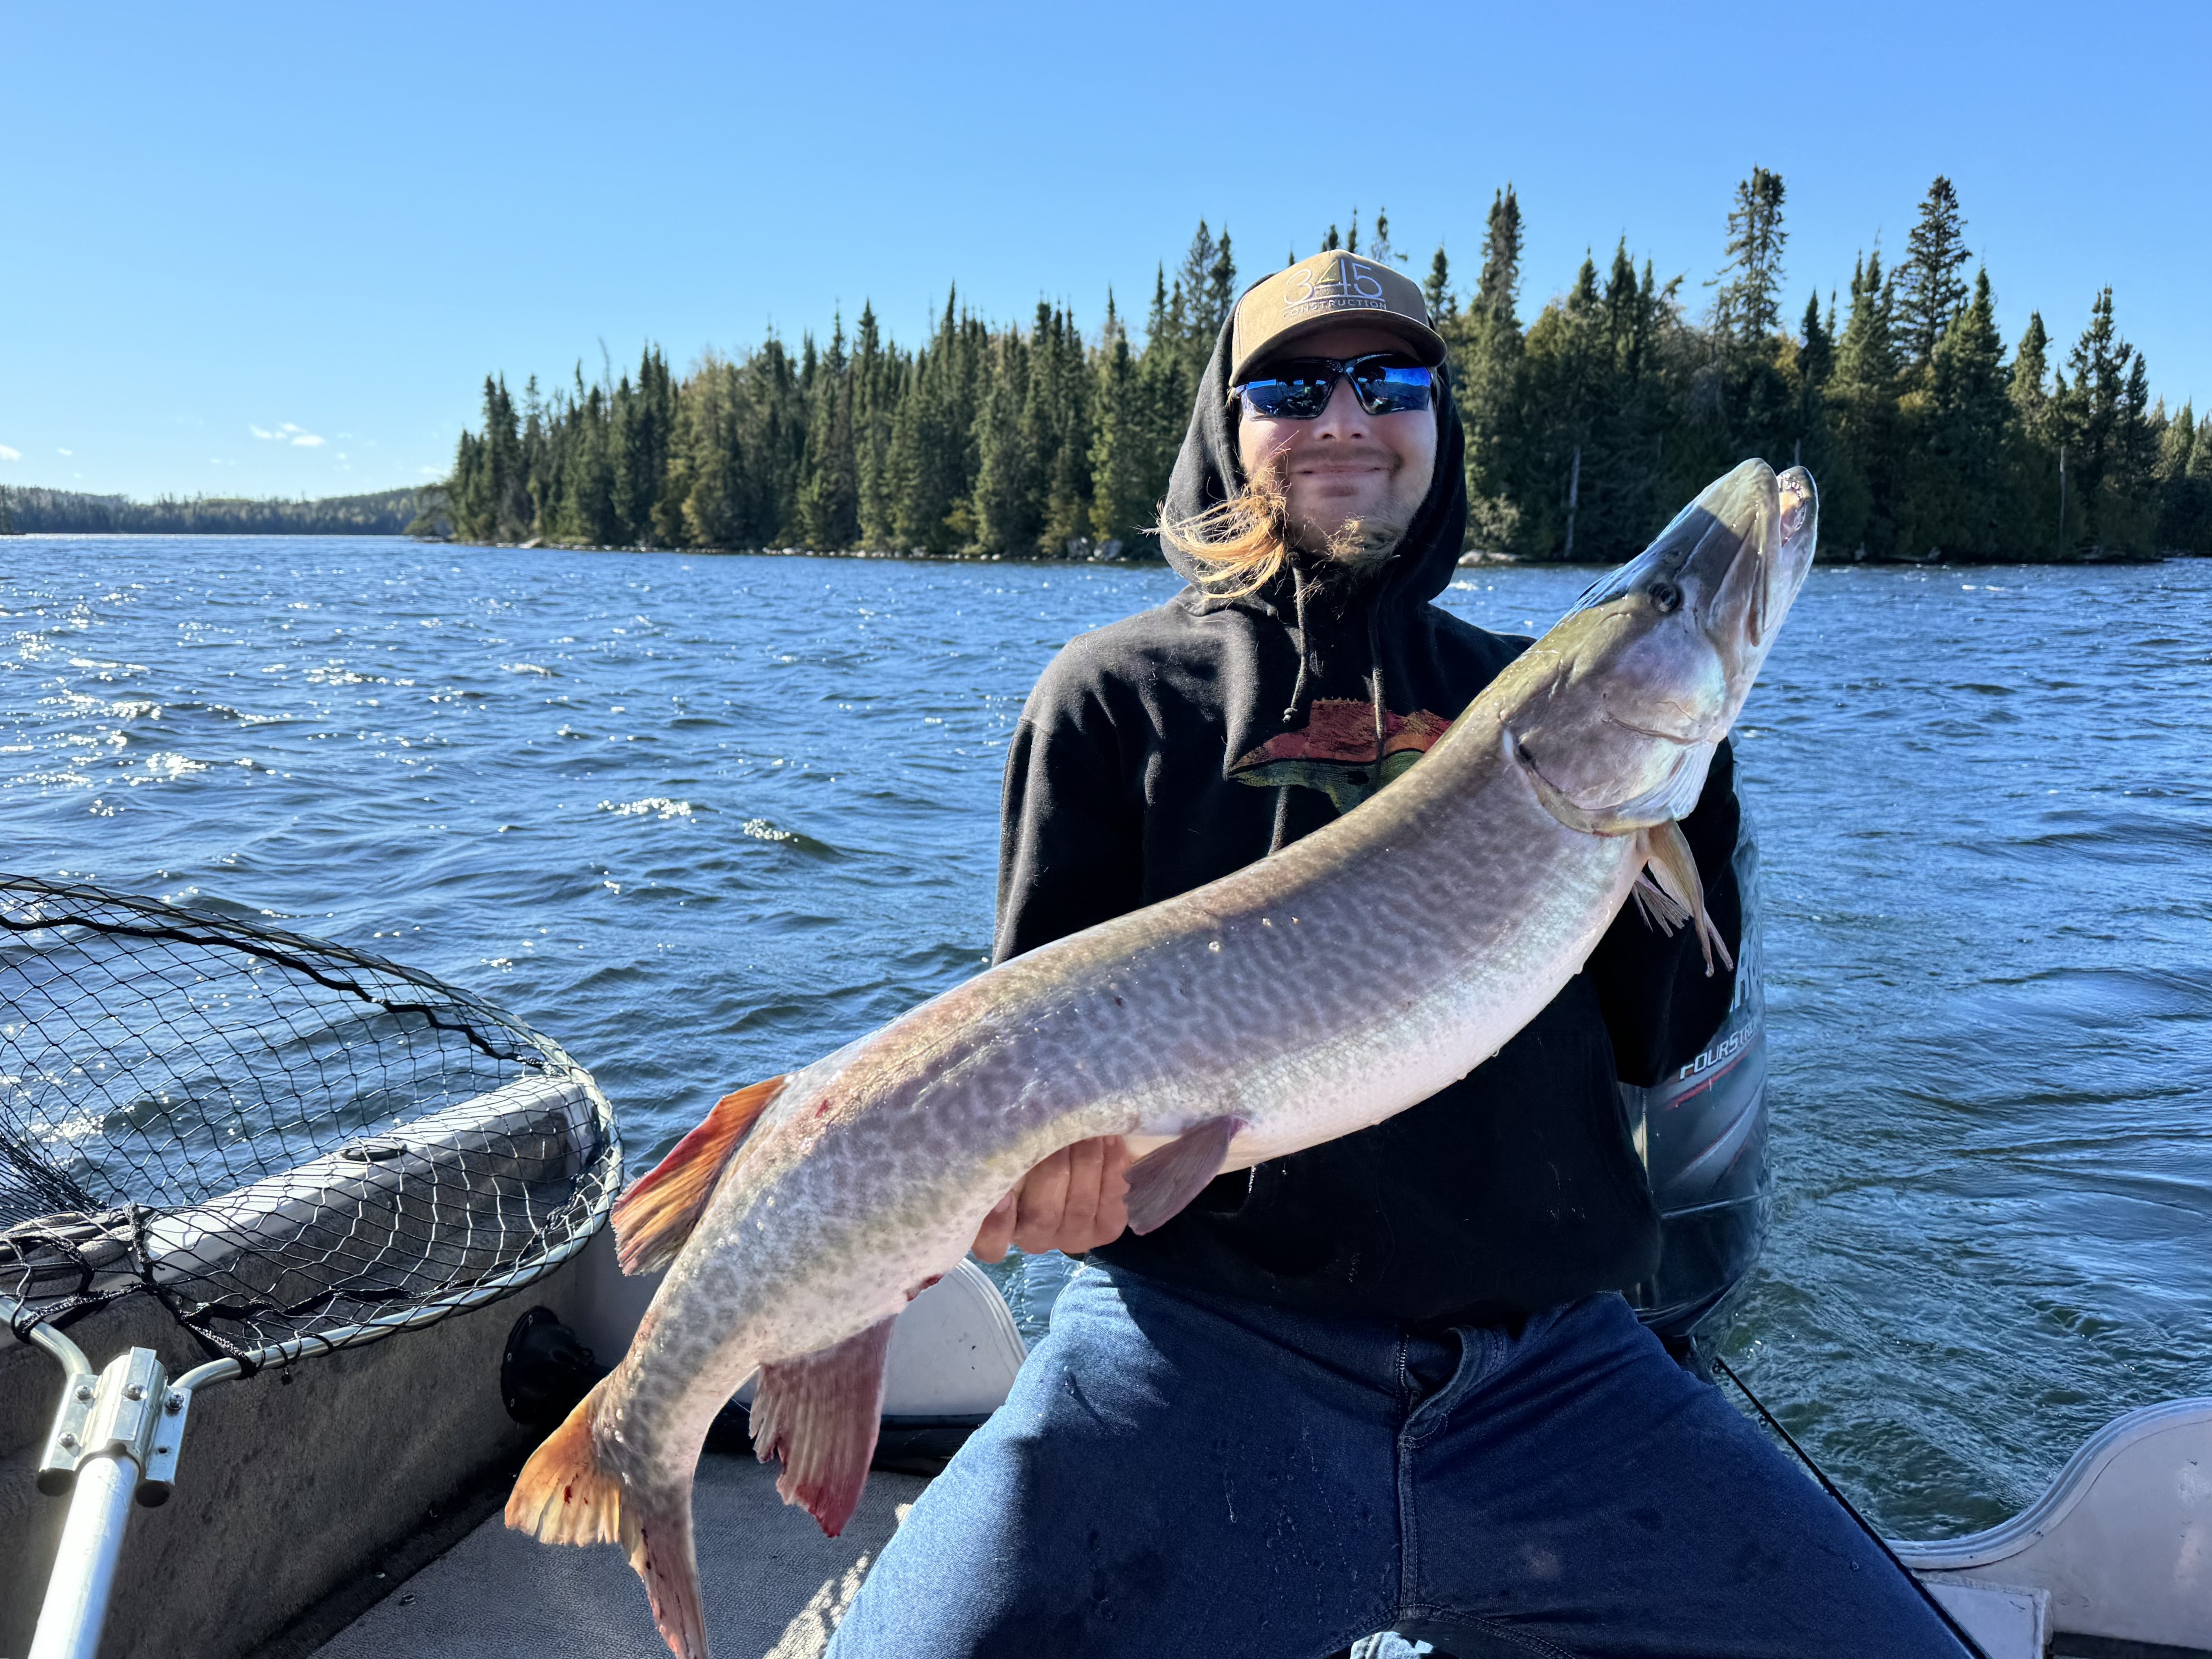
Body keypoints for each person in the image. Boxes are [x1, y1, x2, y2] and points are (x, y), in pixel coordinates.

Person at [826, 253, 1965, 1658]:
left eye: (1391, 382)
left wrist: (1692, 792)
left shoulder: (1535, 690)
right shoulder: (1112, 698)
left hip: (1556, 1374)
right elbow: (1044, 1042)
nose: (1343, 418)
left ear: (1439, 423)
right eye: (1290, 386)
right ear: (1229, 429)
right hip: (1197, 1353)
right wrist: (1060, 1192)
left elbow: (1665, 1042)